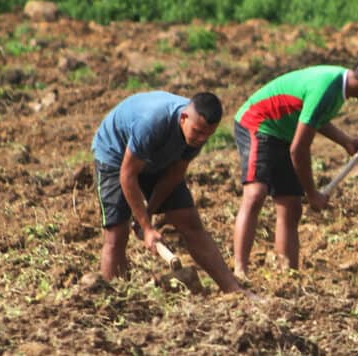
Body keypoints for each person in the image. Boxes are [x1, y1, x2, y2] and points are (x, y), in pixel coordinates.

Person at [233, 52, 358, 278]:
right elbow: (298, 150)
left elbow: (314, 118)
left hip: (281, 133)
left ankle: (288, 274)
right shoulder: (327, 89)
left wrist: (347, 142)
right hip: (258, 124)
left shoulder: (339, 87)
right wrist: (312, 193)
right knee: (255, 193)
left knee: (290, 205)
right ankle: (239, 271)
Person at [92, 91, 244, 293]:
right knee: (117, 234)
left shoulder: (198, 131)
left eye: (207, 134)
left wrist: (146, 215)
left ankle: (234, 289)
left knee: (189, 220)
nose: (201, 139)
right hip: (115, 156)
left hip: (157, 160)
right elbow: (127, 175)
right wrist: (147, 229)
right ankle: (116, 301)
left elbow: (174, 175)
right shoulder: (152, 123)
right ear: (183, 118)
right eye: (197, 132)